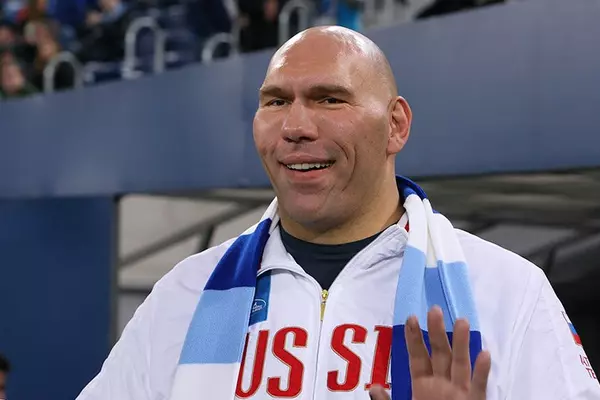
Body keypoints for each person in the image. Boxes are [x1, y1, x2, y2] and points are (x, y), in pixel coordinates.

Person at [76, 26, 600, 400]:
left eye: (329, 100)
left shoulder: (506, 291)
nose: (295, 127)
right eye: (275, 101)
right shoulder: (185, 294)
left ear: (396, 125)